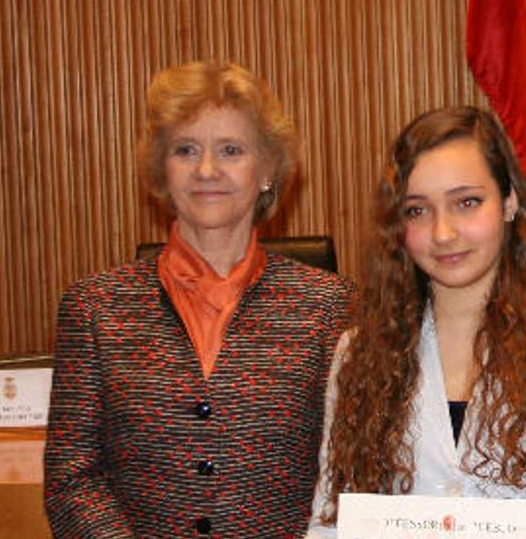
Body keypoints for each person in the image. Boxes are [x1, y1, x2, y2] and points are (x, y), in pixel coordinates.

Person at [43, 61, 355, 537]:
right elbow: (72, 479)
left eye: (231, 150)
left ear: (267, 169)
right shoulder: (95, 308)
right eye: (186, 150)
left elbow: (352, 471)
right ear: (162, 171)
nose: (207, 170)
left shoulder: (332, 307)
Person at [308, 106, 526, 538]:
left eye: (466, 202)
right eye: (417, 211)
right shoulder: (358, 353)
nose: (443, 232)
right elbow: (330, 521)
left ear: (509, 203)